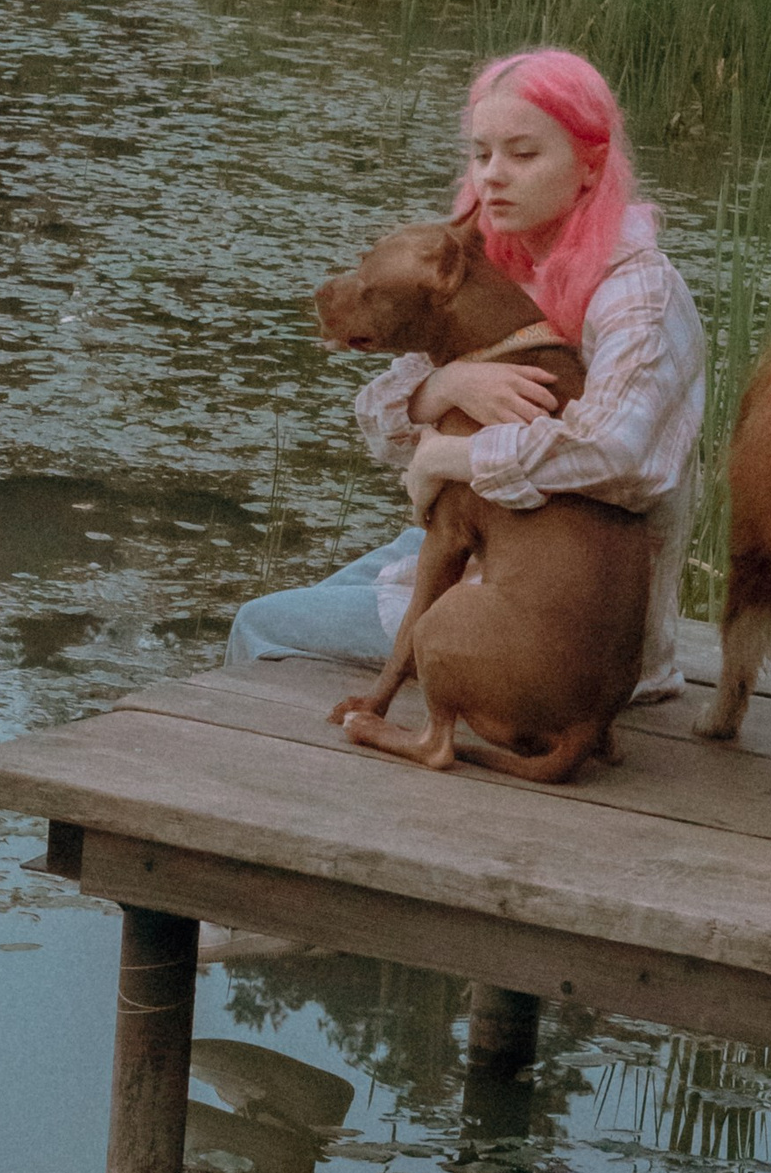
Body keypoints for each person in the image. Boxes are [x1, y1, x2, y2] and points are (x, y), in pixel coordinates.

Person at [228, 45, 705, 706]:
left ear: (591, 165)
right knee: (302, 600)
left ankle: (285, 792)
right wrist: (444, 389)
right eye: (481, 155)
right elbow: (379, 418)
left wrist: (455, 454)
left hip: (574, 626)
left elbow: (616, 455)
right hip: (488, 547)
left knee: (263, 626)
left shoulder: (639, 294)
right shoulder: (497, 264)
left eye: (523, 154)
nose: (493, 177)